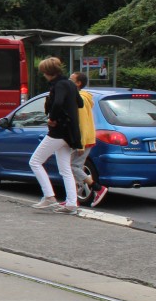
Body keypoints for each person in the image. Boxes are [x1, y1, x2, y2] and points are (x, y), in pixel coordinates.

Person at [29, 57, 82, 214]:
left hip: (58, 132)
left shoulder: (58, 85)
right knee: (65, 169)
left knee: (35, 162)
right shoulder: (70, 84)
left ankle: (49, 196)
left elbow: (58, 103)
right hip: (70, 133)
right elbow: (80, 103)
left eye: (43, 72)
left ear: (47, 72)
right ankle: (72, 203)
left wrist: (52, 118)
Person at [70, 71, 109, 207]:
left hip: (83, 139)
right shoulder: (84, 97)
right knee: (75, 167)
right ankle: (73, 199)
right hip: (87, 137)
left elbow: (81, 121)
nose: (69, 80)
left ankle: (98, 188)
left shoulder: (80, 98)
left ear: (78, 83)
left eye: (71, 79)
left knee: (73, 167)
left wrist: (79, 143)